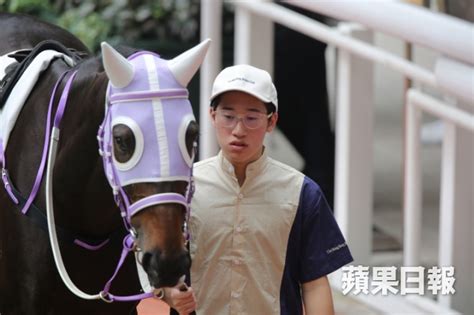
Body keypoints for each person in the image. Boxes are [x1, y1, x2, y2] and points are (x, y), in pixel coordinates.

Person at [163, 65, 353, 315]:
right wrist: (166, 293)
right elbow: (158, 262)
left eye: (251, 118)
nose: (238, 130)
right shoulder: (184, 188)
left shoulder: (302, 193)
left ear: (271, 121)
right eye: (228, 116)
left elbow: (315, 284)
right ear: (212, 115)